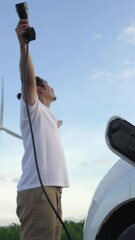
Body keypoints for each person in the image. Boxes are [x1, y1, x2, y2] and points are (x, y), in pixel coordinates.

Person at [15, 19, 69, 240]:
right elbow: (27, 81)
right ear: (39, 88)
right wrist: (23, 44)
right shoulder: (33, 108)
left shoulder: (47, 115)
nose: (52, 86)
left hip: (53, 190)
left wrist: (56, 125)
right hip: (38, 190)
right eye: (48, 83)